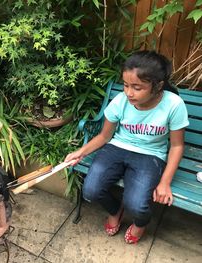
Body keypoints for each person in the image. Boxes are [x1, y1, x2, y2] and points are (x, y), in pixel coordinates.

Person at [64, 50, 189, 244]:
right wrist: (80, 152)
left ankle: (140, 223)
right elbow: (105, 136)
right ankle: (115, 210)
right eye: (125, 85)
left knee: (137, 205)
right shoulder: (121, 101)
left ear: (158, 86)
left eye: (137, 88)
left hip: (151, 155)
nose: (129, 93)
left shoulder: (174, 105)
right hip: (117, 148)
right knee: (91, 191)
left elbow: (177, 145)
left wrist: (165, 182)